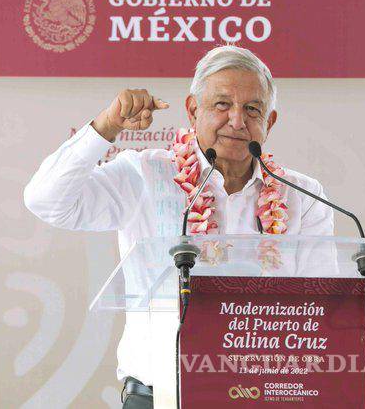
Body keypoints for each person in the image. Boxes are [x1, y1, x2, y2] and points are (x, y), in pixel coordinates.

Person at [23, 45, 334, 408]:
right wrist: (107, 126)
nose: (237, 121)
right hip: (158, 398)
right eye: (222, 104)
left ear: (271, 121)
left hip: (264, 397)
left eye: (253, 109)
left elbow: (321, 308)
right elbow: (46, 200)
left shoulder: (302, 196)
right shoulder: (145, 174)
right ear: (193, 110)